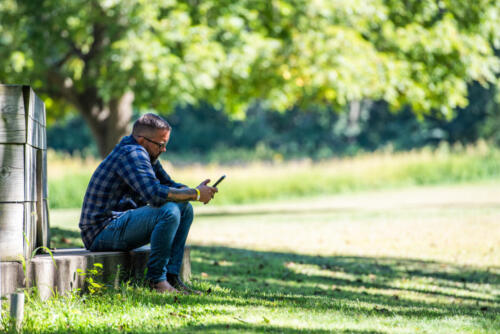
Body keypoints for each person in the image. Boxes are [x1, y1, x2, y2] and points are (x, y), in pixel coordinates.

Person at [79, 113, 217, 294]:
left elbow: (168, 184)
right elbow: (155, 195)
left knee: (184, 209)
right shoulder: (132, 154)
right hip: (100, 231)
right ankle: (156, 281)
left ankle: (171, 278)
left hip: (120, 223)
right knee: (169, 211)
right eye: (161, 144)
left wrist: (194, 190)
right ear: (143, 140)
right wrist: (196, 194)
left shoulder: (146, 155)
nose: (164, 149)